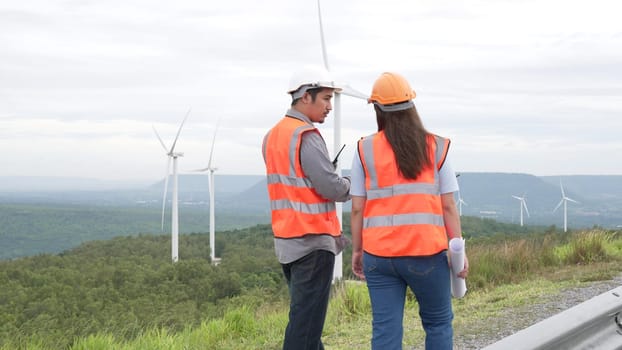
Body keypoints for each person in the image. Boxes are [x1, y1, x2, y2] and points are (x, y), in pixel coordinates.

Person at [350, 72, 469, 350]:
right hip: (427, 255)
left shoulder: (364, 149)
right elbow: (448, 205)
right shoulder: (437, 147)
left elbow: (357, 208)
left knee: (385, 329)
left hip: (379, 256)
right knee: (438, 323)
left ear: (377, 108)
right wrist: (458, 251)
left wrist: (358, 250)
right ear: (411, 105)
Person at [262, 65, 351, 350]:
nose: (329, 107)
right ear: (304, 97)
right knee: (304, 330)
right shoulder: (306, 136)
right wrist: (352, 184)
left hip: (287, 244)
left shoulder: (272, 136)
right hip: (312, 244)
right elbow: (331, 187)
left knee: (306, 323)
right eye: (325, 98)